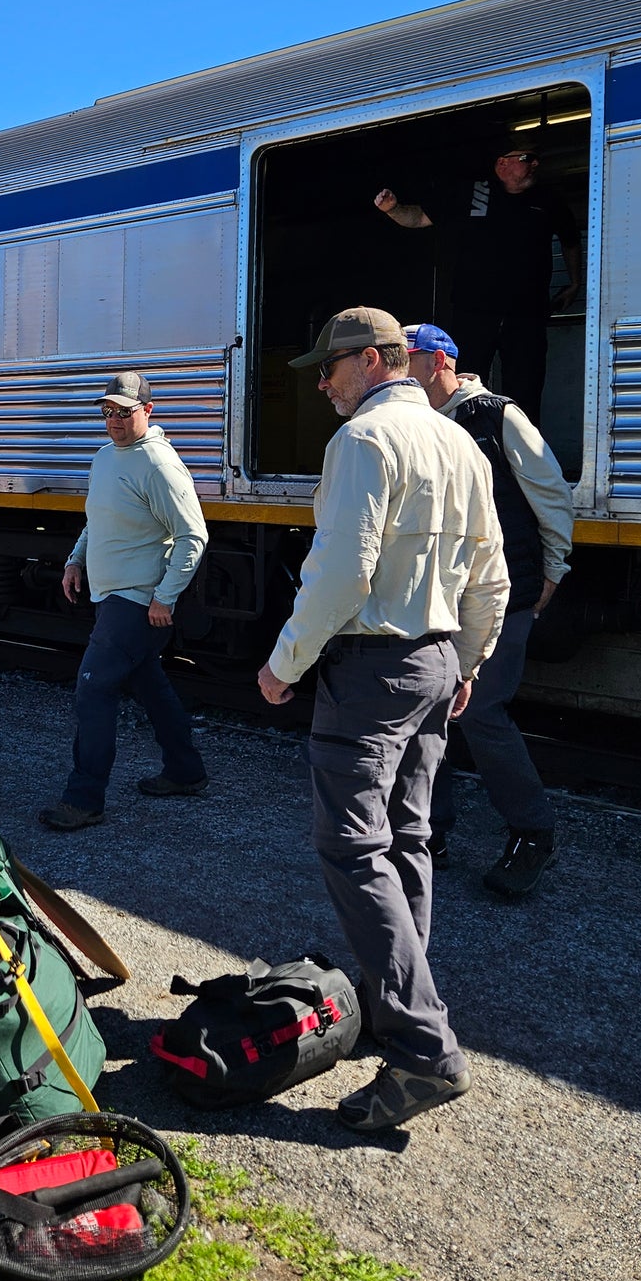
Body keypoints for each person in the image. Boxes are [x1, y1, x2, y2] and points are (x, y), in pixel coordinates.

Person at [258, 307, 508, 1132]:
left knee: (353, 845)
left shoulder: (363, 442)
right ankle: (389, 999)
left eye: (329, 369)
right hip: (435, 660)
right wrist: (466, 662)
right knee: (406, 840)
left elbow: (339, 572)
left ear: (371, 360)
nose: (323, 385)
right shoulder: (458, 441)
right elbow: (490, 574)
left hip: (371, 669)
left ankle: (421, 1048)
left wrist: (283, 661)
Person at [404, 322, 573, 899]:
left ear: (442, 360)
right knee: (433, 710)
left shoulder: (497, 415)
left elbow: (549, 492)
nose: (402, 366)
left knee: (481, 713)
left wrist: (555, 567)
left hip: (502, 588)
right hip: (440, 592)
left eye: (412, 356)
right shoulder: (415, 420)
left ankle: (533, 832)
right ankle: (431, 832)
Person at [40, 370, 209, 832]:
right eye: (108, 411)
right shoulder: (107, 456)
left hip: (135, 601)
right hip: (112, 594)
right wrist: (76, 560)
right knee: (149, 685)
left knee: (94, 688)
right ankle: (185, 770)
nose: (114, 420)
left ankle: (84, 797)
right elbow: (98, 519)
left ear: (147, 411)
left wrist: (164, 597)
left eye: (125, 411)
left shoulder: (159, 464)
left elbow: (193, 534)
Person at [373, 144, 581, 421]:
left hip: (526, 312)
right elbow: (419, 218)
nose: (534, 165)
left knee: (526, 387)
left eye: (534, 159)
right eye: (526, 159)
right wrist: (393, 209)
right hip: (474, 309)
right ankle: (461, 445)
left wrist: (575, 282)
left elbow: (570, 241)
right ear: (501, 164)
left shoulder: (548, 199)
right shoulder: (473, 192)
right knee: (462, 382)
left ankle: (520, 455)